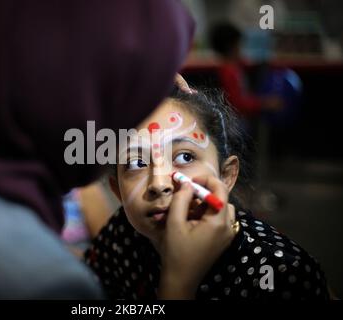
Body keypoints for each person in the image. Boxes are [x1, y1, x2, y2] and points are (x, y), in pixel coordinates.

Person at [0, 0, 195, 298]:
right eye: (124, 109)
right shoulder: (42, 281)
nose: (159, 181)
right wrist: (179, 283)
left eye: (184, 156)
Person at [84, 84, 330, 300]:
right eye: (136, 163)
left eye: (184, 156)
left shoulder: (280, 273)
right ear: (117, 191)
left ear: (226, 175)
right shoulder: (122, 236)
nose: (159, 184)